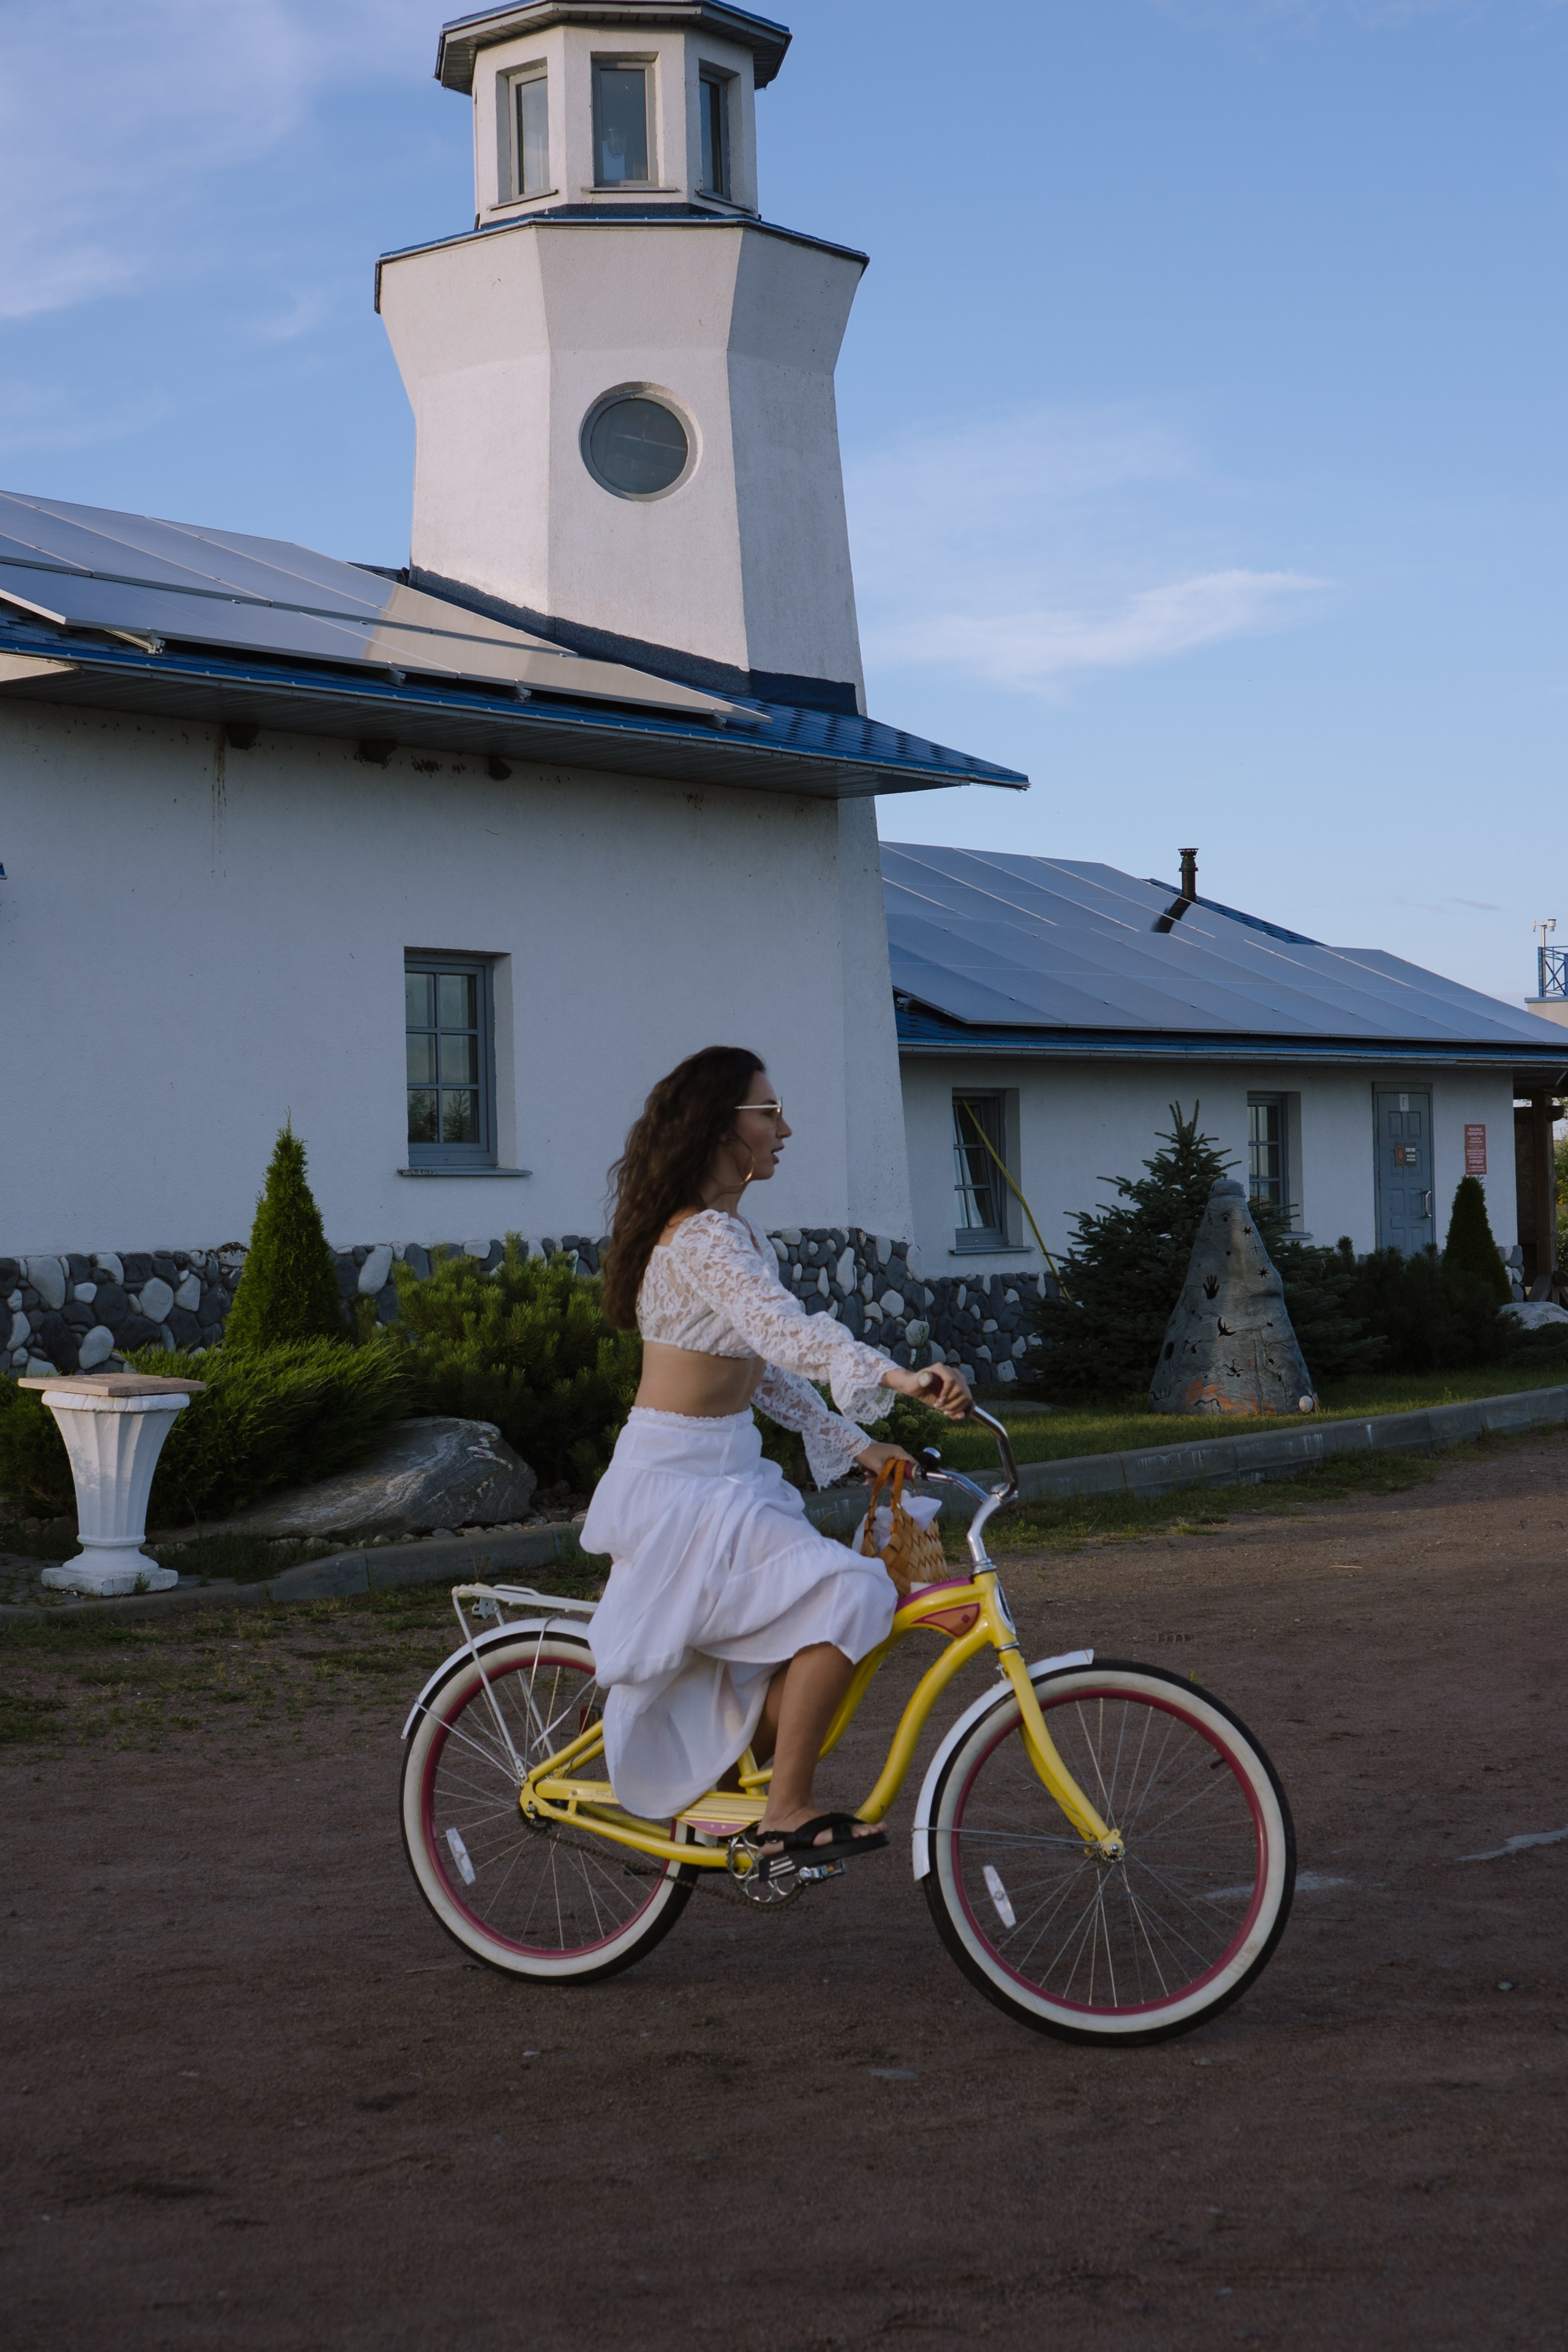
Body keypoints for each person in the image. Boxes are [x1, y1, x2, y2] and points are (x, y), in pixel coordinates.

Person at [582, 1044, 973, 1872]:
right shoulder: (703, 1240)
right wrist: (899, 1376)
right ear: (725, 1126)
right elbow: (787, 1336)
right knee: (854, 1589)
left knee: (816, 1612)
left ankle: (715, 1768)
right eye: (770, 1113)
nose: (784, 1128)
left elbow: (758, 1375)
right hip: (681, 1486)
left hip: (725, 1474)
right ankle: (784, 1809)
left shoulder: (730, 1232)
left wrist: (858, 1442)